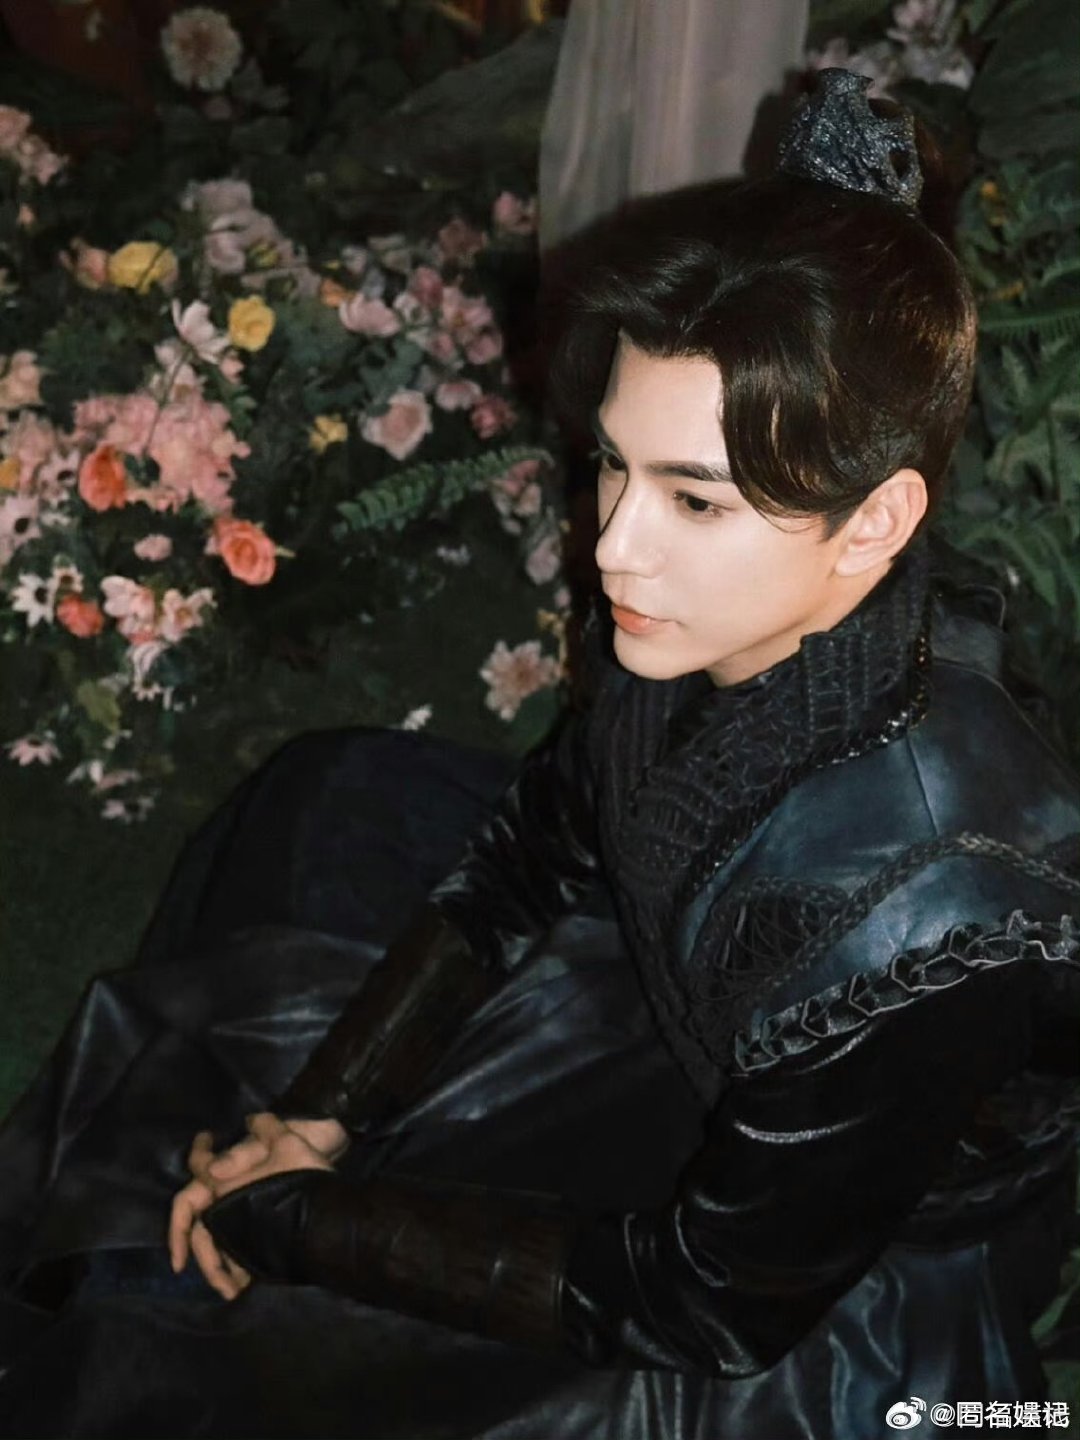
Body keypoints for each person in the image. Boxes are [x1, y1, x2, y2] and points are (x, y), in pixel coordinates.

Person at [1, 70, 1078, 1439]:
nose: (614, 545)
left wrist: (303, 1223)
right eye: (615, 465)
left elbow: (709, 1305)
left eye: (695, 500)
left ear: (875, 525)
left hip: (819, 1283)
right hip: (696, 1009)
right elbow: (544, 835)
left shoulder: (932, 916)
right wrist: (326, 1115)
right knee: (326, 807)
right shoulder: (715, 618)